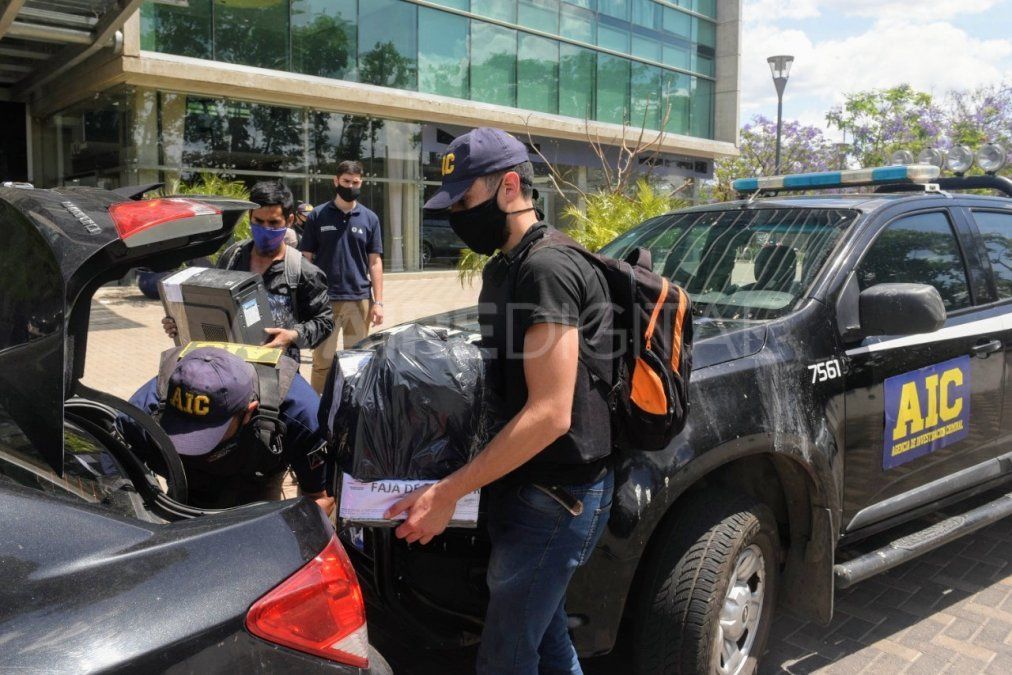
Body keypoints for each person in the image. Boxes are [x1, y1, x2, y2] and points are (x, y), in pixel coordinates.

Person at [385, 128, 615, 675]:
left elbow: (550, 413)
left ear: (509, 186)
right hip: (526, 483)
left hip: (556, 497)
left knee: (505, 659)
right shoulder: (505, 267)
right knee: (548, 640)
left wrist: (447, 493)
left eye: (464, 200)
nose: (457, 216)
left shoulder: (547, 269)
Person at [120, 345, 333, 514]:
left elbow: (320, 498)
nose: (192, 446)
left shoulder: (300, 415)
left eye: (205, 435)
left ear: (249, 411)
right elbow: (117, 486)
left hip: (256, 477)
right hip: (184, 480)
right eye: (181, 429)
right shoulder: (142, 411)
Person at [163, 181, 333, 364]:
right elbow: (211, 306)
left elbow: (324, 322)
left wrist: (293, 335)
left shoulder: (303, 271)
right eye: (258, 222)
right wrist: (180, 322)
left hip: (277, 371)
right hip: (228, 367)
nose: (265, 229)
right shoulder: (232, 258)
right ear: (250, 216)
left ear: (289, 221)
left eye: (273, 223)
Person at [299, 160, 384, 393]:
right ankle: (317, 407)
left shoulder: (370, 218)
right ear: (335, 181)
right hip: (324, 302)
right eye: (346, 181)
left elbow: (375, 262)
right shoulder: (318, 215)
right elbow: (306, 258)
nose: (351, 186)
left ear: (361, 183)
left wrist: (378, 302)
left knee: (357, 363)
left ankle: (351, 407)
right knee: (322, 363)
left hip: (359, 301)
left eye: (356, 182)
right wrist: (305, 297)